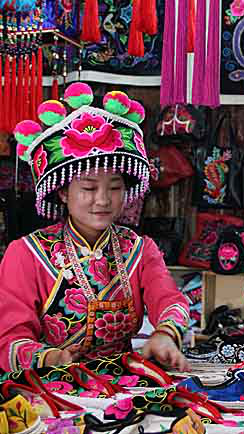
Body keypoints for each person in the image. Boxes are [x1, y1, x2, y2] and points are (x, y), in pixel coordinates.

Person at [0, 83, 190, 372]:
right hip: (48, 387)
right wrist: (52, 358)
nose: (102, 200)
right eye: (89, 188)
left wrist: (165, 334)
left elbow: (169, 299)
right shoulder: (26, 254)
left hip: (124, 386)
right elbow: (9, 340)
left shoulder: (139, 250)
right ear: (63, 192)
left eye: (114, 187)